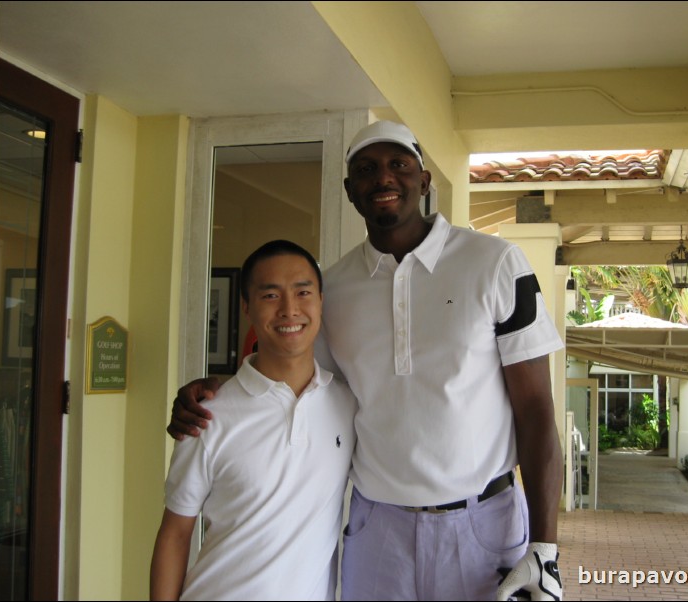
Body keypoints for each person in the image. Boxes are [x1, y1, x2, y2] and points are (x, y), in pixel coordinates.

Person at [168, 121, 565, 601]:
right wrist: (217, 387)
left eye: (399, 164)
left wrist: (545, 550)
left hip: (483, 523)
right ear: (350, 191)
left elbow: (537, 408)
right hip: (377, 529)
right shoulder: (332, 289)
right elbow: (292, 375)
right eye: (366, 169)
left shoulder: (497, 263)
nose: (383, 178)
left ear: (425, 180)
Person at [151, 240, 356, 601]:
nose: (290, 310)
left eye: (303, 292)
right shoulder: (206, 415)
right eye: (270, 296)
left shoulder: (347, 403)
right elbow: (176, 533)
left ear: (321, 300)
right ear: (247, 307)